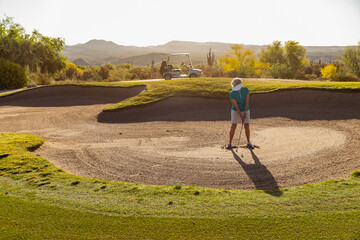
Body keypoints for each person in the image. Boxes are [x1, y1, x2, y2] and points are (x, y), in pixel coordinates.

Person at [226, 78, 254, 150]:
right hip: (235, 110)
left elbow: (246, 102)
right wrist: (241, 115)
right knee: (233, 125)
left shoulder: (246, 90)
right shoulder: (232, 93)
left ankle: (248, 142)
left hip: (246, 109)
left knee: (246, 125)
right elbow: (236, 106)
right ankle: (229, 143)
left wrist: (245, 113)